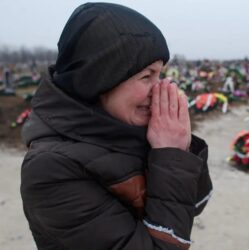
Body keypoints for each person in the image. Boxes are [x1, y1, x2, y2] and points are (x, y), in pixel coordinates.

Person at [20, 3, 212, 250]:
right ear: (100, 79)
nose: (160, 89)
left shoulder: (128, 129)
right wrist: (170, 156)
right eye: (147, 76)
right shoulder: (50, 168)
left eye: (160, 74)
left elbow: (195, 204)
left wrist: (180, 149)